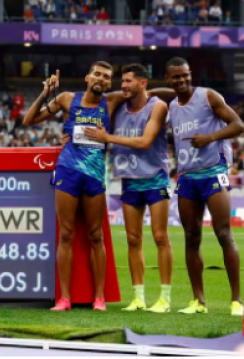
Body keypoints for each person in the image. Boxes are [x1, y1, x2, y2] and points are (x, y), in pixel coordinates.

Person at [23, 62, 173, 312]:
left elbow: (148, 94)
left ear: (109, 83)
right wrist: (45, 92)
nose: (101, 79)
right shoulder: (67, 99)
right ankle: (65, 299)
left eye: (106, 77)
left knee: (96, 236)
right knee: (66, 234)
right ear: (87, 76)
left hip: (94, 174)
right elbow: (29, 120)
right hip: (68, 171)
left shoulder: (113, 100)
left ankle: (99, 298)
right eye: (97, 74)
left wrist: (178, 90)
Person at [79, 64, 174, 313]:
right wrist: (72, 136)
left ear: (143, 83)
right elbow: (92, 126)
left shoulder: (158, 106)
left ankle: (164, 298)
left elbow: (144, 142)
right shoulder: (118, 108)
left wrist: (108, 138)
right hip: (129, 180)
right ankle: (138, 298)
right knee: (133, 240)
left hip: (155, 178)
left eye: (129, 81)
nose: (123, 85)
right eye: (122, 81)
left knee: (161, 237)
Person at [166, 57, 244, 316]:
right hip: (187, 177)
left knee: (224, 233)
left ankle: (236, 301)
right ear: (169, 80)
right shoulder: (172, 106)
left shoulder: (208, 96)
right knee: (191, 237)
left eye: (185, 75)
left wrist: (209, 137)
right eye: (176, 77)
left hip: (213, 171)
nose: (182, 80)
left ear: (191, 75)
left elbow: (238, 125)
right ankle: (198, 302)